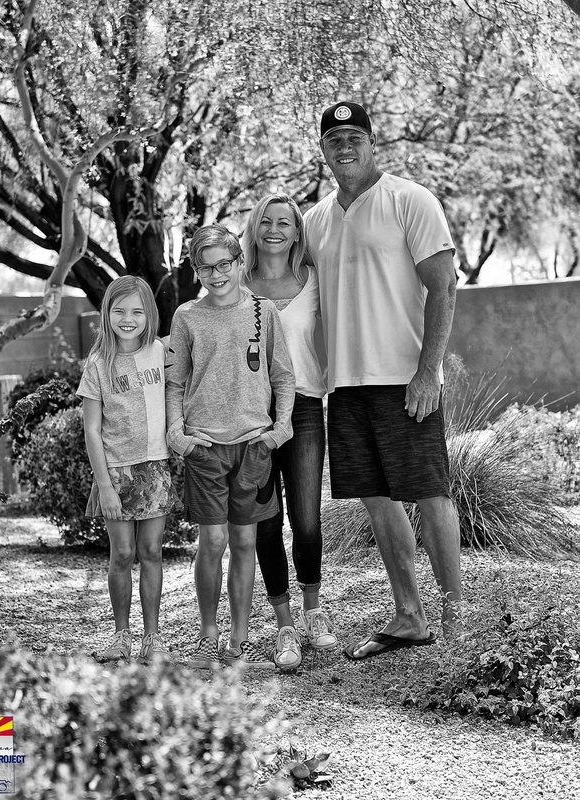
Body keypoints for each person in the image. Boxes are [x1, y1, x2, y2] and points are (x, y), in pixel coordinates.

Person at [303, 101, 462, 659]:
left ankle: (457, 618)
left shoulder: (410, 199)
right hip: (344, 385)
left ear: (373, 143)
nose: (345, 146)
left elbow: (443, 287)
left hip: (405, 379)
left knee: (430, 494)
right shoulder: (315, 220)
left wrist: (428, 372)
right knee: (376, 500)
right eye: (334, 139)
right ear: (323, 151)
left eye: (355, 136)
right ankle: (410, 616)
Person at [165, 223, 295, 670]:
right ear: (196, 271)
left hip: (254, 446)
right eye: (206, 267)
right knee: (213, 540)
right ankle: (207, 635)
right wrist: (178, 434)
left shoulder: (263, 311)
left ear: (240, 262)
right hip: (205, 447)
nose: (216, 274)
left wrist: (280, 430)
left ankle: (238, 639)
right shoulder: (187, 317)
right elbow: (175, 382)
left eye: (224, 264)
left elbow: (282, 376)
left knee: (244, 540)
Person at [242, 193, 337, 670]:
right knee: (265, 522)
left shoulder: (314, 280)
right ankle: (284, 625)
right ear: (254, 229)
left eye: (285, 222)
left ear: (298, 232)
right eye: (266, 221)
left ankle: (313, 611)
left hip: (303, 407)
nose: (275, 229)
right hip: (251, 415)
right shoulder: (235, 284)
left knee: (306, 519)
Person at [77, 275, 179, 665]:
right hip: (115, 472)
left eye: (137, 311)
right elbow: (91, 428)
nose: (127, 319)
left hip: (154, 467)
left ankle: (152, 639)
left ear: (149, 314)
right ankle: (121, 637)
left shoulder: (161, 352)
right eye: (119, 311)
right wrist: (104, 486)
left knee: (151, 551)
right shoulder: (98, 363)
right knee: (122, 553)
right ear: (107, 313)